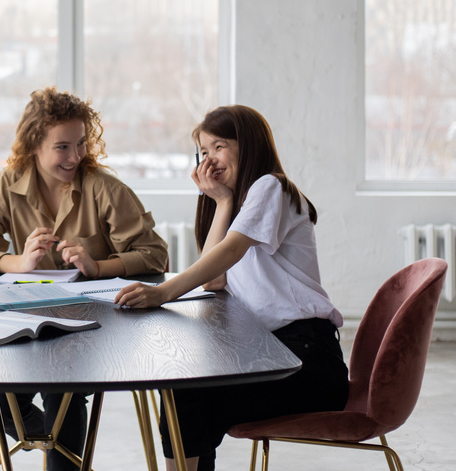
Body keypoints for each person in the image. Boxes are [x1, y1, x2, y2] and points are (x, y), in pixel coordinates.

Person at [115, 105, 349, 471]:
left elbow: (231, 249)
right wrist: (223, 201)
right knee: (188, 393)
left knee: (188, 396)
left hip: (308, 361)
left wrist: (163, 292)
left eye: (219, 146)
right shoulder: (242, 204)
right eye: (204, 152)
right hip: (278, 352)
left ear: (249, 145)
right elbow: (214, 278)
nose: (210, 159)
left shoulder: (270, 186)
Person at [0, 86, 169, 471]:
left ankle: (58, 453)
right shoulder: (7, 184)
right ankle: (51, 444)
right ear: (34, 145)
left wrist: (98, 267)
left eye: (82, 143)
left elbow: (155, 255)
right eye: (62, 147)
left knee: (63, 389)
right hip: (26, 318)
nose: (77, 156)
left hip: (94, 323)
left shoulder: (105, 188)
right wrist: (16, 262)